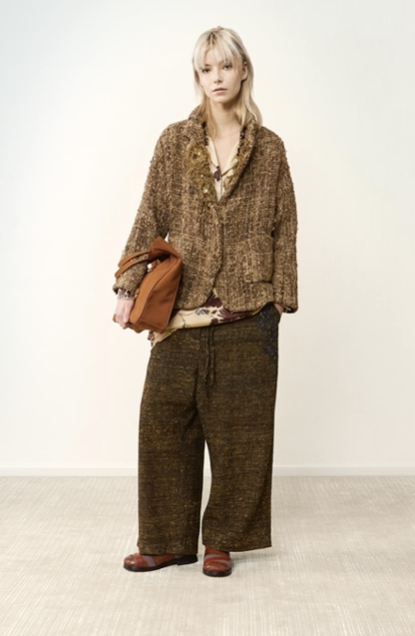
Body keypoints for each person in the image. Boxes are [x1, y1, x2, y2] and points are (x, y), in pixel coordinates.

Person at [113, 26, 298, 577]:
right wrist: (127, 286)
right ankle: (166, 540)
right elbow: (149, 217)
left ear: (243, 71)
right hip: (180, 314)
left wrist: (280, 300)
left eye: (225, 66)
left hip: (249, 311)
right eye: (206, 68)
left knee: (242, 436)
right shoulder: (174, 141)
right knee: (163, 427)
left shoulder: (270, 149)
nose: (216, 77)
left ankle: (223, 540)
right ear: (198, 76)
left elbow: (285, 227)